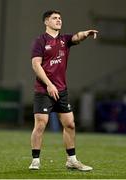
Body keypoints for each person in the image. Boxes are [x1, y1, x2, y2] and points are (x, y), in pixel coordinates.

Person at [29, 10, 98, 171]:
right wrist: (48, 84)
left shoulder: (64, 39)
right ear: (46, 22)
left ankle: (72, 160)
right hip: (43, 90)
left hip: (61, 90)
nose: (59, 20)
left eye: (60, 18)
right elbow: (35, 65)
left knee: (70, 124)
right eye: (55, 18)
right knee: (40, 125)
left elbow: (76, 37)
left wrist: (86, 33)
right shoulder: (40, 41)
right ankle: (35, 160)